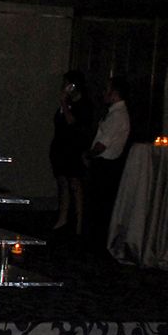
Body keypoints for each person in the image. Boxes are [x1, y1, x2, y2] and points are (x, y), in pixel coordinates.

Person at [86, 74, 131, 247]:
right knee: (98, 205)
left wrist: (88, 155)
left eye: (106, 90)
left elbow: (102, 145)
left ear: (115, 93)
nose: (103, 93)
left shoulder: (117, 116)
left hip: (106, 166)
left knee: (100, 205)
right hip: (104, 165)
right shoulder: (114, 113)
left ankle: (97, 243)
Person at [49, 69, 95, 236]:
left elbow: (72, 122)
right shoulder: (68, 103)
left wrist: (64, 103)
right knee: (63, 182)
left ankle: (79, 223)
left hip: (74, 148)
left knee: (75, 184)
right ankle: (63, 218)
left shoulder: (84, 105)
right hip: (60, 147)